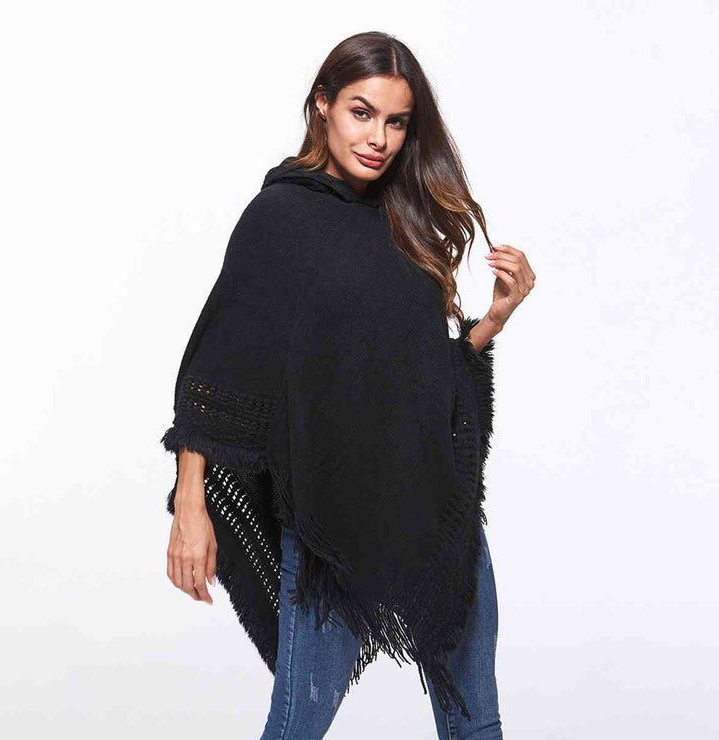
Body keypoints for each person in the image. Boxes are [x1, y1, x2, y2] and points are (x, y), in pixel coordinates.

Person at [161, 31, 535, 739]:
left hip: (437, 519)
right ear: (323, 106)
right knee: (297, 726)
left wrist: (493, 320)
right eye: (362, 113)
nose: (379, 139)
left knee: (476, 724)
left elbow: (416, 377)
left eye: (396, 122)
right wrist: (190, 506)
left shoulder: (404, 222)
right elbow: (215, 375)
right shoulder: (279, 219)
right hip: (328, 525)